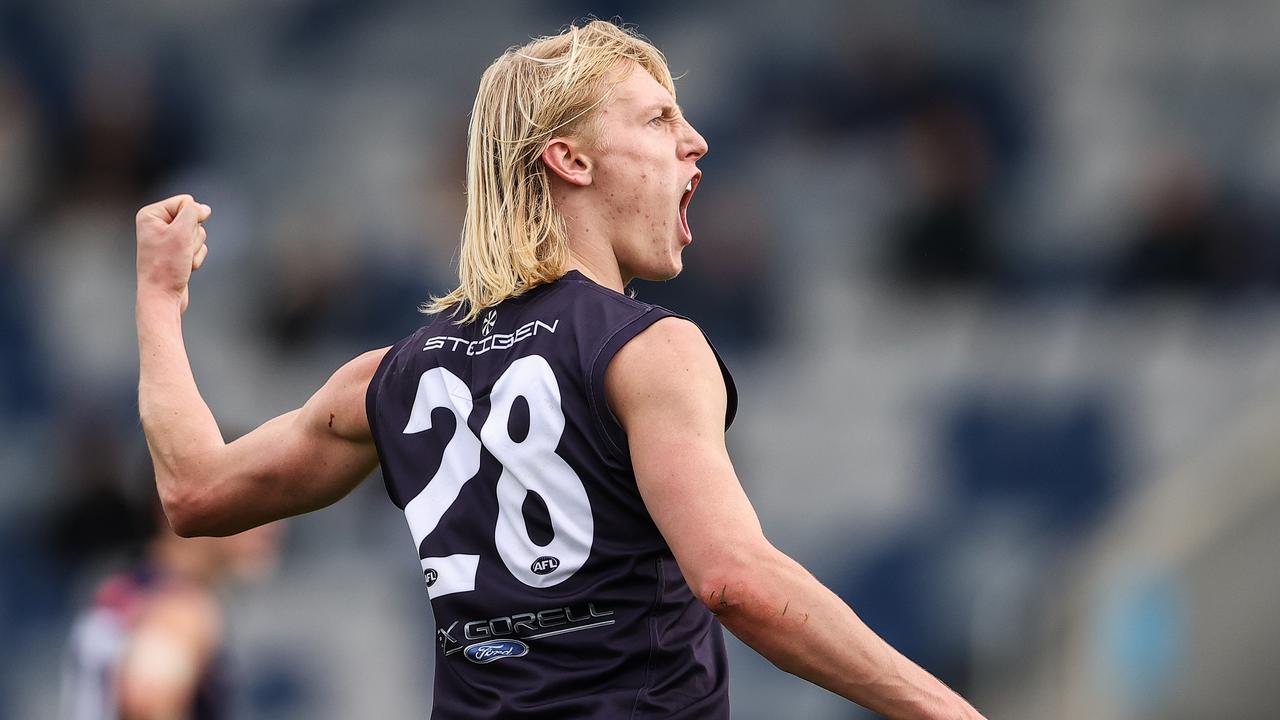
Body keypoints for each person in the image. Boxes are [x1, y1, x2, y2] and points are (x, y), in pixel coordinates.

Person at [134, 19, 985, 720]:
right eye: (656, 120)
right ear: (570, 161)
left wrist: (159, 297)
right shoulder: (650, 350)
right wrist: (944, 710)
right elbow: (735, 580)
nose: (695, 140)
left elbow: (196, 493)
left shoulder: (387, 377)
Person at [61, 504, 280, 720]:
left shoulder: (128, 590)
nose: (271, 523)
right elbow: (148, 697)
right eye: (249, 492)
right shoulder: (181, 612)